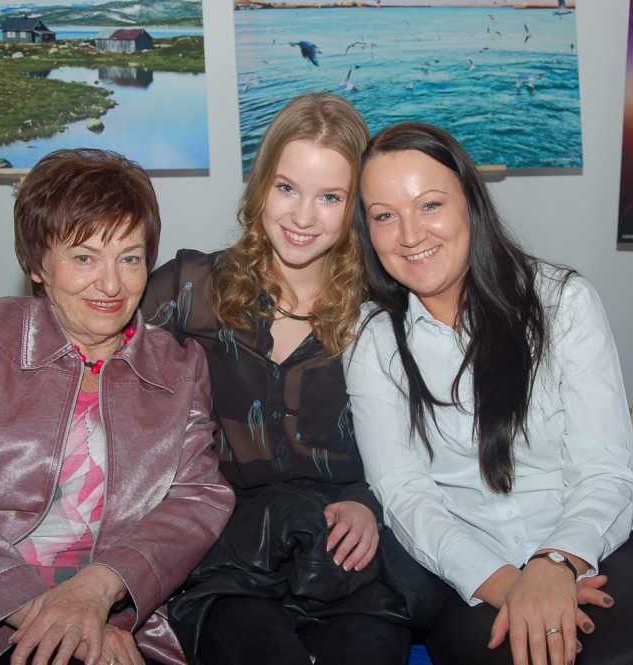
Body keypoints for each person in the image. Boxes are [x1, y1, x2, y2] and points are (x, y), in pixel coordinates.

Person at [0, 148, 235, 665]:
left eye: (129, 257)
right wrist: (48, 613)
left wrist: (98, 591)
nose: (111, 284)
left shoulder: (179, 368)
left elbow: (197, 500)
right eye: (84, 257)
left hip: (105, 609)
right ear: (37, 265)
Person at [344, 122, 633, 665]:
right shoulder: (372, 339)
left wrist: (556, 564)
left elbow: (605, 466)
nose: (410, 234)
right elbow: (403, 493)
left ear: (471, 203)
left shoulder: (562, 302)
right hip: (473, 573)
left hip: (605, 542)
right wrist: (509, 584)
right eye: (384, 216)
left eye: (430, 205)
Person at [141, 93, 441, 665]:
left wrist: (367, 502)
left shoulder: (386, 309)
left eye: (330, 197)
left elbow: (430, 443)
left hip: (350, 559)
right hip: (227, 560)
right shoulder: (189, 288)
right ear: (260, 187)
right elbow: (92, 364)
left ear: (356, 205)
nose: (303, 217)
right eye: (287, 188)